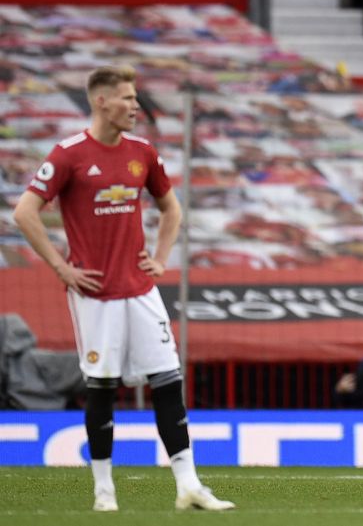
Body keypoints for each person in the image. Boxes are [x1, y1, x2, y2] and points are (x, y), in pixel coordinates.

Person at [13, 65, 234, 512]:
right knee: (102, 386)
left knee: (168, 380)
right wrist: (61, 267)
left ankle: (188, 485)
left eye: (136, 98)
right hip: (94, 294)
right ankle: (103, 491)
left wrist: (161, 257)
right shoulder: (68, 154)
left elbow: (171, 209)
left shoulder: (142, 152)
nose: (136, 106)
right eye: (129, 98)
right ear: (101, 101)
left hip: (140, 290)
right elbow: (24, 212)